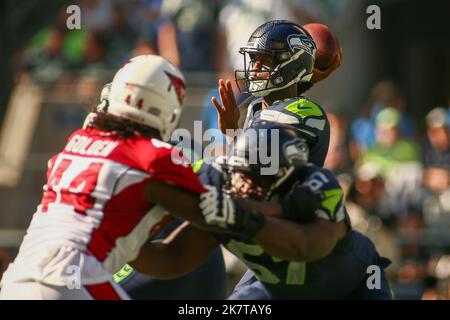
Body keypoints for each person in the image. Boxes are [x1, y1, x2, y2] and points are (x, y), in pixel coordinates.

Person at [0, 55, 217, 300]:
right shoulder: (154, 154)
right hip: (74, 275)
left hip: (18, 277)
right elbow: (212, 214)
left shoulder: (72, 147)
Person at [129, 122, 393, 299]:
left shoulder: (316, 188)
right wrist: (122, 246)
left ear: (286, 179)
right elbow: (174, 258)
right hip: (276, 290)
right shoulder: (220, 181)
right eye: (240, 174)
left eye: (257, 178)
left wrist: (241, 216)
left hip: (352, 286)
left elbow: (304, 246)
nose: (244, 184)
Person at [212, 20, 342, 167]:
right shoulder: (255, 105)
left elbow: (261, 169)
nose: (255, 69)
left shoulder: (304, 113)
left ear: (294, 65)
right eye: (254, 59)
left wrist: (232, 130)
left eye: (265, 61)